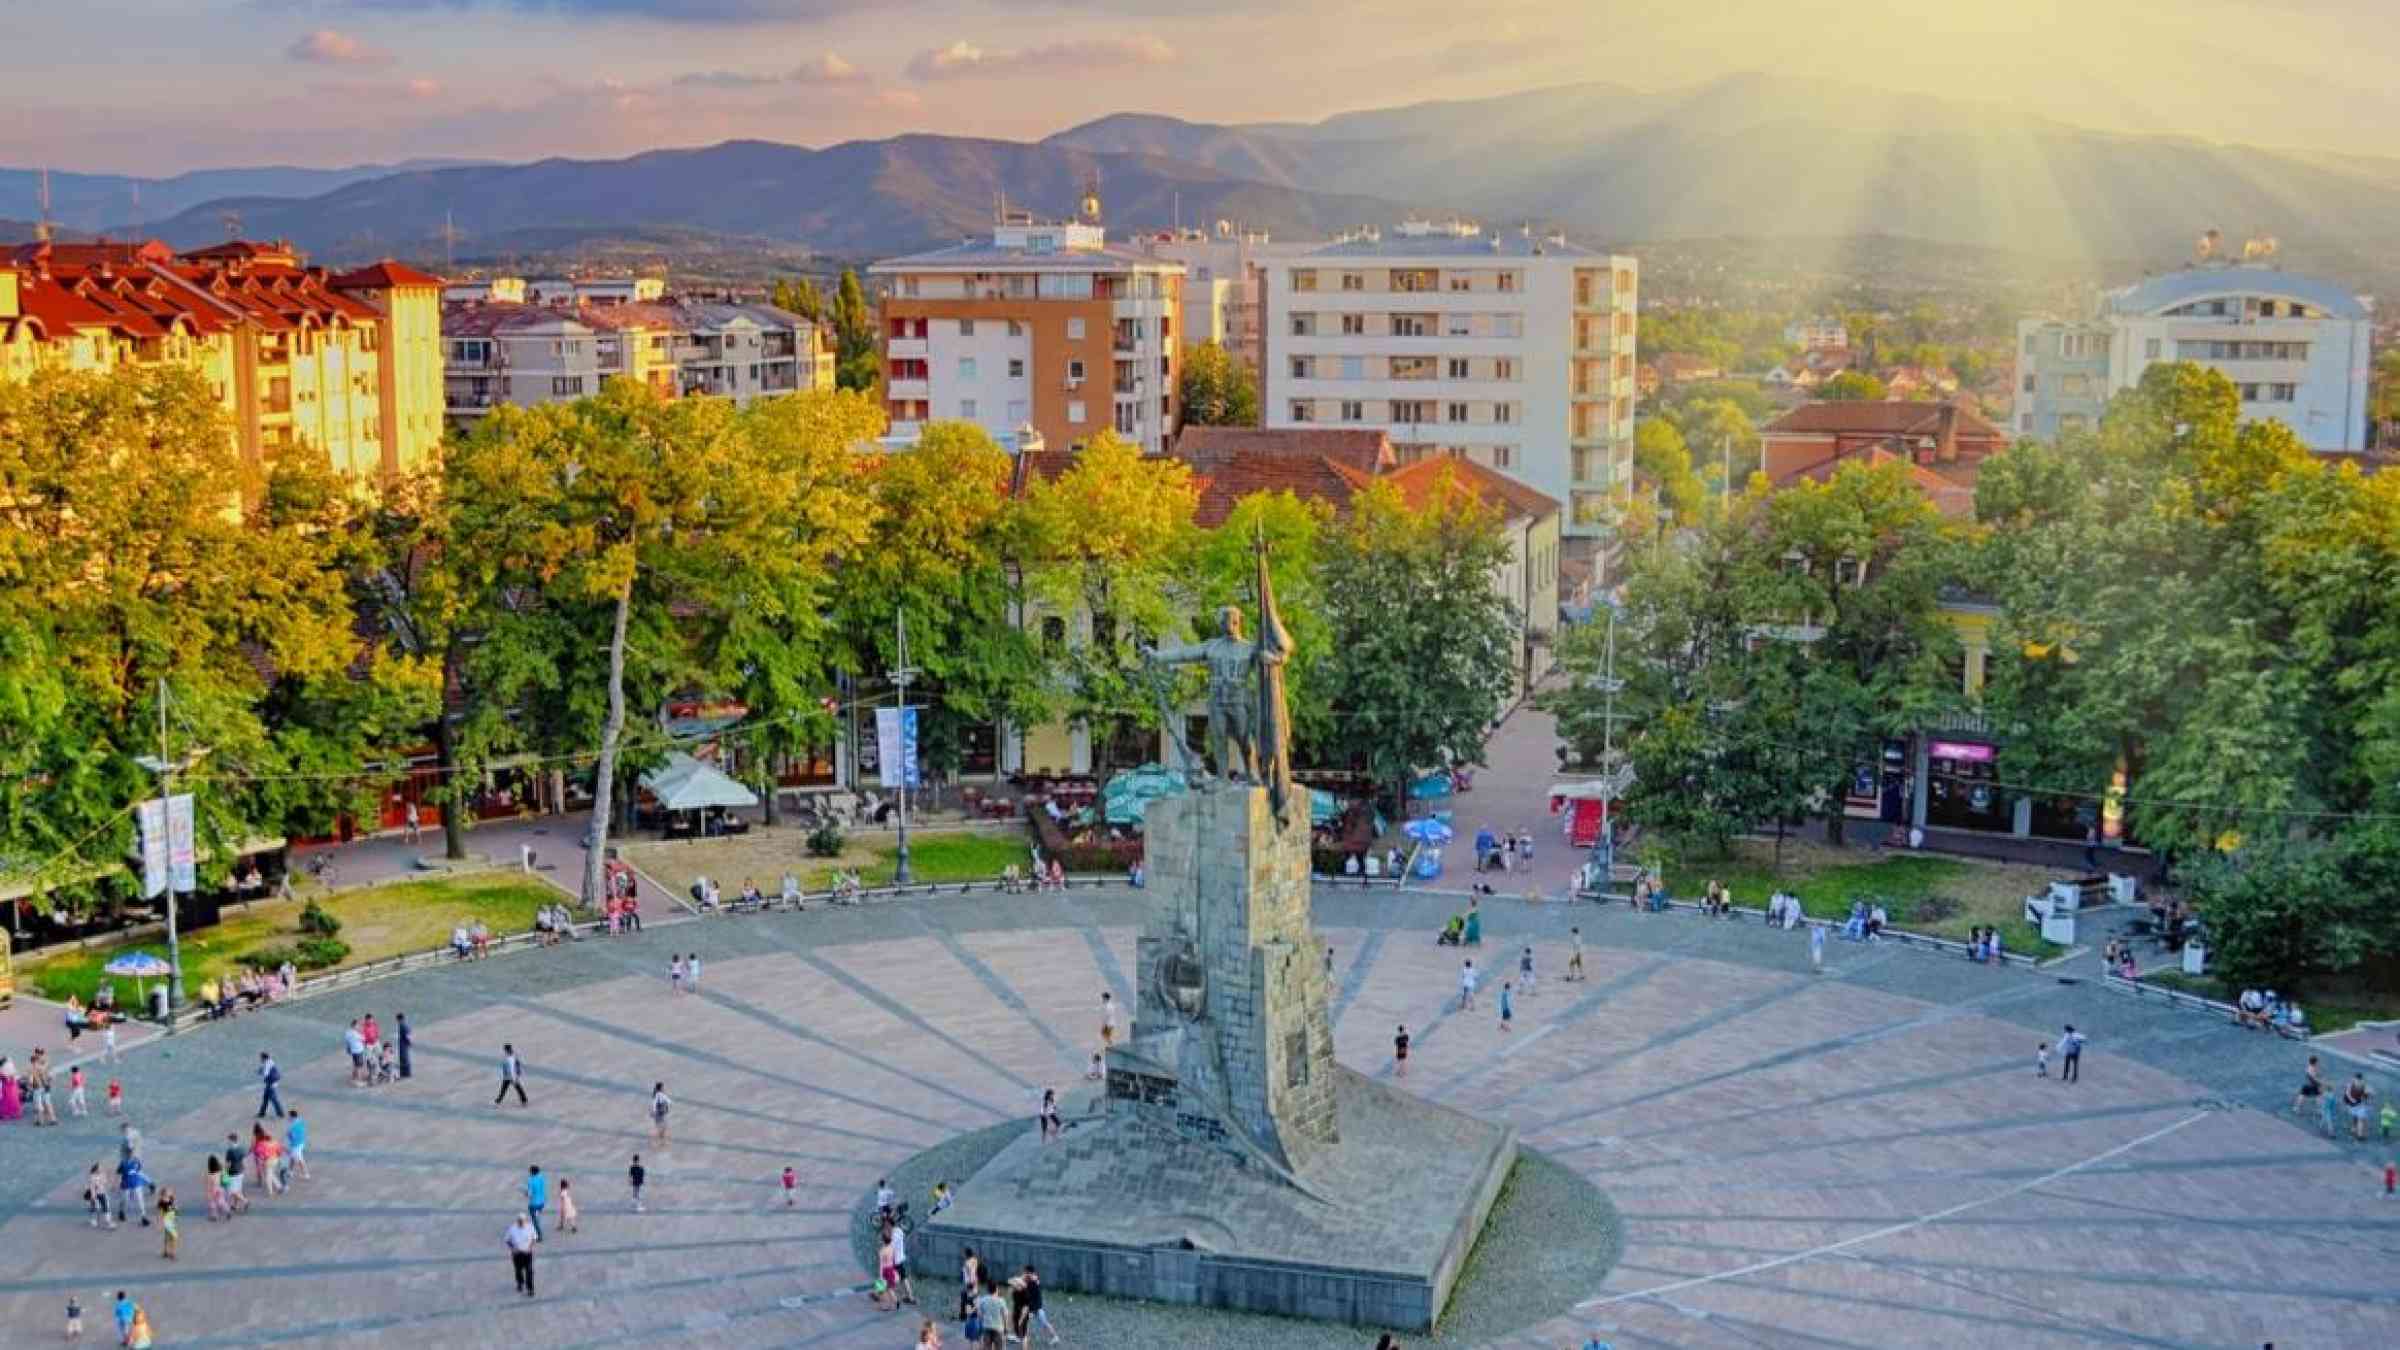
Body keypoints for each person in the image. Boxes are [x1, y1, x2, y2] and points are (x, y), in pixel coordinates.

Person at [1016, 1265, 1060, 1345]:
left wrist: (1031, 1310)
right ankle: (1021, 1337)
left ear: (1028, 1272)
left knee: (1043, 1323)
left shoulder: (1033, 1282)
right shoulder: (1033, 1280)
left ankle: (1055, 1337)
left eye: (1025, 1272)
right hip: (1035, 1307)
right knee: (1025, 1321)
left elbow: (1031, 1295)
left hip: (1035, 1307)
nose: (1024, 1273)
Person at [505, 1213, 539, 1297]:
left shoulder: (530, 1227)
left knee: (529, 1271)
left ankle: (530, 1289)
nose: (521, 1223)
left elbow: (534, 1238)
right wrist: (512, 1248)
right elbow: (507, 1240)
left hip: (527, 1253)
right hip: (517, 1253)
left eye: (522, 1221)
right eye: (520, 1221)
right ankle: (520, 1283)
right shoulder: (512, 1228)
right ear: (517, 1221)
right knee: (518, 1270)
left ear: (525, 1220)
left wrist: (531, 1247)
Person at [2345, 1075, 2375, 1141]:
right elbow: (2371, 1094)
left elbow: (2347, 1095)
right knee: (2359, 1119)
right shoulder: (2364, 1085)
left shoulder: (2350, 1085)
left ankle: (2354, 1132)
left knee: (2356, 1118)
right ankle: (2359, 1135)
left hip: (2353, 1105)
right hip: (2360, 1105)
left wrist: (2350, 1102)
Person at [256, 1051, 285, 1119]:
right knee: (265, 1098)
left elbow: (266, 1074)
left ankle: (280, 1113)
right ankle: (262, 1113)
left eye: (261, 1058)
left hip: (270, 1084)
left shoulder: (267, 1064)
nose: (260, 1060)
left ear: (263, 1058)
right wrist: (261, 1070)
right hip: (272, 1083)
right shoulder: (270, 1061)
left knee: (273, 1099)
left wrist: (260, 1072)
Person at [524, 1165, 549, 1240]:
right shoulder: (541, 1178)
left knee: (534, 1220)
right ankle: (535, 1230)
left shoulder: (530, 1180)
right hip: (542, 1201)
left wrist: (526, 1193)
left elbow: (529, 1194)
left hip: (534, 1203)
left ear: (532, 1172)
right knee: (537, 1216)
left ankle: (539, 1235)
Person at [157, 1190, 178, 1260]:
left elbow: (174, 1208)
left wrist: (175, 1213)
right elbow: (159, 1213)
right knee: (174, 1237)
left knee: (167, 1236)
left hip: (171, 1220)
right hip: (167, 1220)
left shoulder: (171, 1199)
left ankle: (166, 1251)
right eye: (167, 1193)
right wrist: (159, 1223)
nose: (169, 1194)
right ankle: (172, 1253)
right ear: (163, 1195)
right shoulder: (161, 1203)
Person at [396, 1012, 413, 1081]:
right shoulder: (404, 1025)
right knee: (404, 1058)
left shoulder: (403, 1025)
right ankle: (406, 1073)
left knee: (404, 1058)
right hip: (404, 1044)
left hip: (403, 1044)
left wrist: (409, 1043)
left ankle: (405, 1073)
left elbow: (407, 1036)